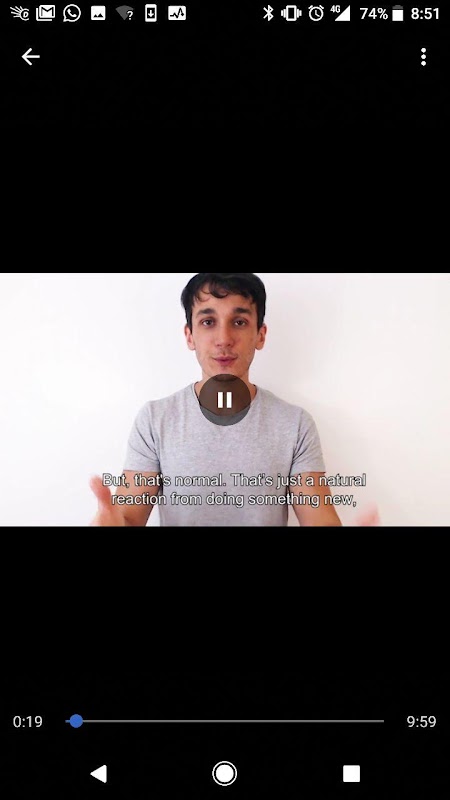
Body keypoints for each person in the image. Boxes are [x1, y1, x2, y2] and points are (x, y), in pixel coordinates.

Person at [90, 273, 379, 527]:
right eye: (208, 322)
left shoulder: (295, 425)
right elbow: (128, 517)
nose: (224, 338)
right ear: (190, 335)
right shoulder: (155, 420)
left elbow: (319, 518)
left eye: (239, 322)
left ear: (260, 335)